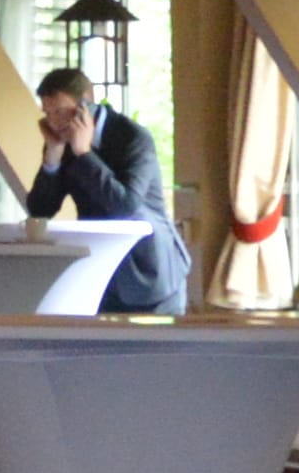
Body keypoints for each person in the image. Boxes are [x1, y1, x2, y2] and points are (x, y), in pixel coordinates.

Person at [14, 66, 186, 317]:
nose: (54, 122)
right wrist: (52, 157)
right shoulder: (62, 141)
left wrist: (84, 154)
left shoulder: (133, 138)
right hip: (100, 272)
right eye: (47, 113)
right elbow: (41, 210)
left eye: (60, 111)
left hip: (149, 270)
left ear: (86, 102)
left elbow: (125, 205)